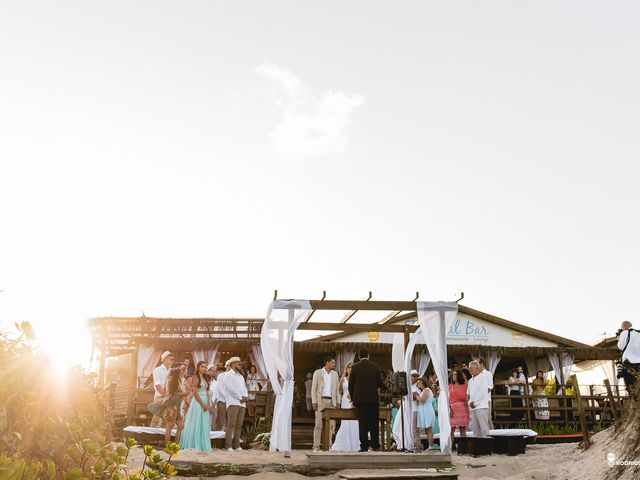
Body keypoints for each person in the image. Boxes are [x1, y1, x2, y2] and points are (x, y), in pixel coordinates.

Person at [348, 347, 384, 452]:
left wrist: (353, 399)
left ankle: (363, 446)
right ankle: (375, 446)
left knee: (362, 423)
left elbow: (351, 385)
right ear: (368, 355)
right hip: (373, 399)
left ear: (359, 356)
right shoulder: (375, 366)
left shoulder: (354, 367)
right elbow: (380, 383)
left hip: (360, 400)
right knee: (374, 422)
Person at [180, 361, 213, 451]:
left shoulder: (205, 377)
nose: (204, 368)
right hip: (198, 402)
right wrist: (203, 404)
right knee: (197, 422)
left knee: (203, 423)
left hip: (205, 400)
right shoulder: (196, 377)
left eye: (205, 367)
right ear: (198, 368)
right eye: (202, 367)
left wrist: (209, 404)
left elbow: (206, 391)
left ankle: (202, 444)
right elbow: (194, 392)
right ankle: (194, 444)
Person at [155, 367, 189, 446]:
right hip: (171, 406)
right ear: (177, 370)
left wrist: (187, 400)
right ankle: (168, 445)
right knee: (170, 426)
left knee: (180, 426)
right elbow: (171, 393)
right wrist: (184, 394)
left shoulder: (179, 380)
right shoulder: (171, 379)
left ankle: (176, 444)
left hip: (177, 405)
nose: (183, 371)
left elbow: (179, 394)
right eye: (181, 369)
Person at [311, 356, 339, 451]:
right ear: (327, 363)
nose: (334, 364)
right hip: (320, 401)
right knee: (318, 424)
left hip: (331, 401)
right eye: (332, 362)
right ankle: (316, 446)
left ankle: (328, 445)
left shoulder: (335, 374)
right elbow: (313, 388)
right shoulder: (318, 372)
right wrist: (314, 401)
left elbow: (337, 389)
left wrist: (338, 401)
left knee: (330, 425)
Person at [331, 362, 360, 452]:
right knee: (345, 422)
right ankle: (343, 443)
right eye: (349, 367)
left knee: (354, 422)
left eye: (352, 367)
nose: (350, 369)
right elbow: (339, 391)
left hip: (354, 401)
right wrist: (338, 402)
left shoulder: (356, 379)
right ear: (346, 369)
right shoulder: (343, 379)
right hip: (345, 400)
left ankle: (355, 444)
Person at [223, 356, 249, 451]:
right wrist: (240, 397)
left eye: (241, 364)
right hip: (233, 402)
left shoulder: (241, 376)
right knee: (231, 424)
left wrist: (245, 396)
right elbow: (230, 388)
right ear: (233, 364)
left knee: (239, 425)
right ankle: (228, 445)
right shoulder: (228, 375)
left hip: (242, 403)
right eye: (239, 364)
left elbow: (244, 388)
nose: (240, 365)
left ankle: (237, 445)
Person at [467, 361, 491, 438]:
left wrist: (475, 403)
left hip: (481, 406)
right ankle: (478, 448)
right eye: (469, 368)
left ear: (476, 368)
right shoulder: (470, 380)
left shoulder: (483, 377)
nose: (469, 370)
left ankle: (487, 448)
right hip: (472, 407)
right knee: (475, 429)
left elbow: (483, 392)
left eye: (471, 368)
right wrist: (470, 402)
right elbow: (468, 393)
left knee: (484, 428)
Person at [151, 351, 174, 427]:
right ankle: (150, 436)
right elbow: (157, 385)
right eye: (170, 358)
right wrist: (165, 395)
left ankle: (161, 437)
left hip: (169, 396)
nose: (172, 360)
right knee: (156, 417)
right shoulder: (157, 370)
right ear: (164, 359)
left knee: (166, 418)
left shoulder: (172, 370)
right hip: (159, 396)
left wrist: (169, 396)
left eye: (172, 359)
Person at [449, 368, 469, 448]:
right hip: (452, 408)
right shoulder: (450, 386)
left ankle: (464, 448)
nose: (454, 376)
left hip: (462, 408)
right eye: (453, 374)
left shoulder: (465, 385)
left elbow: (468, 396)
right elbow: (448, 399)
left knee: (462, 429)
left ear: (459, 376)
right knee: (451, 429)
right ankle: (450, 447)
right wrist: (449, 408)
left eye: (456, 374)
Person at [617, 321, 640, 391]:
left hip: (629, 364)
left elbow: (621, 346)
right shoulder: (638, 334)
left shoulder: (625, 332)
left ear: (623, 328)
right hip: (639, 364)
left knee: (630, 387)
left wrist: (619, 339)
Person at [415, 378, 436, 449]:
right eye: (417, 383)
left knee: (429, 429)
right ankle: (429, 445)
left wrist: (416, 395)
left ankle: (431, 446)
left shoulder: (427, 390)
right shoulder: (423, 391)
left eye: (420, 382)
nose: (418, 384)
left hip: (427, 409)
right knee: (427, 430)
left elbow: (422, 400)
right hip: (423, 409)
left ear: (424, 382)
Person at [214, 362, 231, 431]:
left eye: (230, 365)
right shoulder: (221, 375)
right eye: (227, 365)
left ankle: (227, 438)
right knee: (221, 420)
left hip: (231, 401)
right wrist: (228, 397)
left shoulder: (234, 376)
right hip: (222, 401)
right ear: (225, 366)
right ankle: (218, 438)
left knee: (229, 421)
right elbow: (220, 388)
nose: (229, 367)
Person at [408, 369, 421, 451]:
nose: (415, 377)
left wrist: (412, 396)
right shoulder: (407, 386)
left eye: (417, 376)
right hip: (407, 409)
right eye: (414, 376)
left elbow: (416, 397)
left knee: (414, 429)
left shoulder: (418, 387)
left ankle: (417, 445)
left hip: (415, 409)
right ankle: (409, 443)